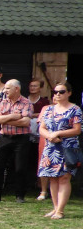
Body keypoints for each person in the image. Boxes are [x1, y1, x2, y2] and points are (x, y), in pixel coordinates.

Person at [37, 82, 81, 220]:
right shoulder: (49, 110)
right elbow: (42, 128)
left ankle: (60, 210)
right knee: (53, 178)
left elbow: (77, 129)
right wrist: (49, 135)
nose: (57, 94)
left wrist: (58, 133)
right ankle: (55, 208)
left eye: (61, 92)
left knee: (64, 177)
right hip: (51, 147)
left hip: (67, 147)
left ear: (69, 93)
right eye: (55, 92)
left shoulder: (75, 109)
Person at [0, 79, 33, 203]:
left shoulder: (26, 102)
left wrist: (4, 119)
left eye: (8, 88)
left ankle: (20, 195)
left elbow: (25, 122)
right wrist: (13, 116)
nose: (5, 91)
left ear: (16, 89)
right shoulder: (3, 102)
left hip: (21, 139)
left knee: (20, 168)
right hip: (5, 137)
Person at [27, 78, 51, 201]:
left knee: (40, 158)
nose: (32, 88)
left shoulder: (44, 102)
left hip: (39, 133)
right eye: (31, 86)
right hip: (27, 131)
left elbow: (39, 115)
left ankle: (41, 186)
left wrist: (31, 115)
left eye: (35, 86)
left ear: (40, 88)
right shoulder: (25, 100)